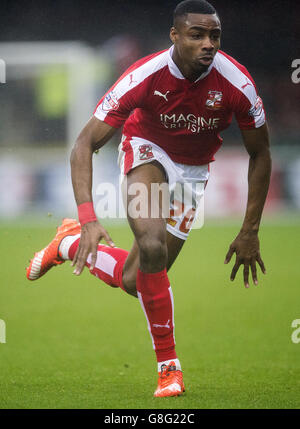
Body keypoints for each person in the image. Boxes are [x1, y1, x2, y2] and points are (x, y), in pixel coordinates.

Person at [26, 0, 271, 398]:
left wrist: (250, 230)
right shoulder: (145, 75)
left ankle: (67, 244)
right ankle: (169, 369)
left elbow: (261, 153)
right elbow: (84, 143)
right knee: (152, 246)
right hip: (147, 151)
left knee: (136, 280)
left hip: (193, 173)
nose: (208, 44)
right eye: (197, 35)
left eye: (214, 35)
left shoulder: (237, 83)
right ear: (175, 36)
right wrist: (90, 217)